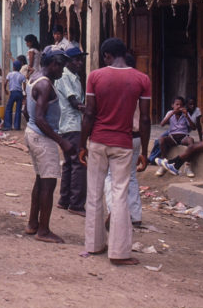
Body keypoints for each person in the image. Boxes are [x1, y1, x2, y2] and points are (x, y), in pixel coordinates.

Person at [80, 38, 151, 266]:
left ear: (106, 56)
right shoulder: (142, 79)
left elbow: (89, 114)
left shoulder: (95, 76)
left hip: (98, 141)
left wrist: (83, 144)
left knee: (94, 192)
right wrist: (146, 150)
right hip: (123, 142)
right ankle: (119, 253)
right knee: (120, 195)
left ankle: (93, 245)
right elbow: (146, 118)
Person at [23, 46, 74, 244]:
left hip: (32, 133)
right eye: (61, 66)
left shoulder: (34, 77)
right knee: (49, 183)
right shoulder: (45, 85)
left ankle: (32, 223)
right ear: (52, 64)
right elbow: (41, 119)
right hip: (42, 137)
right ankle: (43, 230)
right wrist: (62, 142)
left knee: (40, 180)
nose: (62, 70)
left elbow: (28, 112)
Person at [103, 53, 144, 228]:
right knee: (131, 176)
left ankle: (115, 211)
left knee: (110, 176)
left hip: (120, 135)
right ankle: (135, 215)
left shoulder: (119, 84)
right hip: (136, 136)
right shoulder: (141, 83)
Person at [55, 47, 87, 216]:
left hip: (69, 124)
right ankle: (76, 204)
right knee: (79, 163)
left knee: (69, 162)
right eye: (77, 60)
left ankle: (64, 199)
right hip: (71, 124)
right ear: (68, 61)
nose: (80, 63)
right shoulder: (66, 76)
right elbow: (75, 102)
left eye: (81, 60)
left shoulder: (73, 76)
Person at [153, 96, 196, 176]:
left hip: (183, 137)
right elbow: (162, 124)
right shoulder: (170, 113)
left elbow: (194, 127)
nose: (179, 107)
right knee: (161, 139)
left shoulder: (185, 114)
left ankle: (187, 166)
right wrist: (172, 113)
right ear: (173, 105)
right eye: (177, 104)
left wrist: (187, 116)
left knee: (191, 140)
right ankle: (164, 163)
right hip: (172, 137)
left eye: (181, 105)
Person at [1, 60, 25, 131]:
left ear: (13, 67)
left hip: (13, 92)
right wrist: (24, 94)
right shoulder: (22, 76)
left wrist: (5, 90)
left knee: (9, 109)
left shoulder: (10, 74)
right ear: (20, 68)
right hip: (19, 93)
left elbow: (5, 83)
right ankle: (17, 126)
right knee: (18, 110)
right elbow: (24, 86)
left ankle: (8, 126)